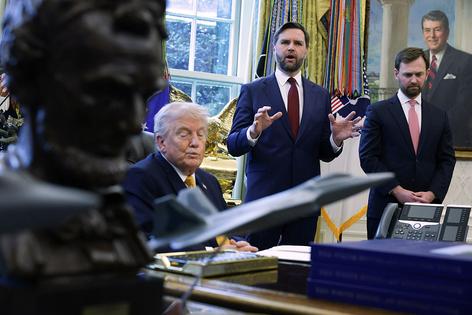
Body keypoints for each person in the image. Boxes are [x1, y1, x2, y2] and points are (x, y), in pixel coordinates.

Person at [0, 0, 168, 276]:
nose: (132, 121)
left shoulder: (116, 217)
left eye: (143, 95)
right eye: (105, 93)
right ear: (28, 82)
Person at [227, 22, 361, 250]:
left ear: (306, 50)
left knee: (295, 274)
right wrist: (253, 131)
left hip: (304, 204)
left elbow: (323, 153)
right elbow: (233, 145)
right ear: (275, 47)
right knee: (257, 269)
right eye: (285, 42)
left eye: (298, 43)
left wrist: (335, 139)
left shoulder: (320, 95)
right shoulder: (253, 90)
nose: (291, 48)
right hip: (263, 203)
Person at [123, 101, 257, 252]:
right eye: (184, 134)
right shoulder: (140, 178)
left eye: (201, 135)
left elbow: (226, 227)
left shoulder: (209, 181)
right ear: (161, 142)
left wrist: (237, 243)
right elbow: (145, 240)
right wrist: (212, 251)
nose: (195, 143)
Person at [359, 47, 456, 239]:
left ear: (427, 74)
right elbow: (368, 158)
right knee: (384, 267)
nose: (413, 80)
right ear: (396, 74)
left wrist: (432, 193)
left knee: (420, 268)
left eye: (419, 74)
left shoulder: (439, 116)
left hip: (426, 209)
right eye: (407, 74)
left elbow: (447, 160)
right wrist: (397, 190)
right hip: (386, 207)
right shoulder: (377, 112)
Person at [421, 10, 472, 149]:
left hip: (452, 140)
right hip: (418, 141)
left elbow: (464, 107)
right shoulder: (416, 60)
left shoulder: (465, 61)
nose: (432, 36)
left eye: (437, 30)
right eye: (427, 30)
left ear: (447, 32)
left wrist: (433, 127)